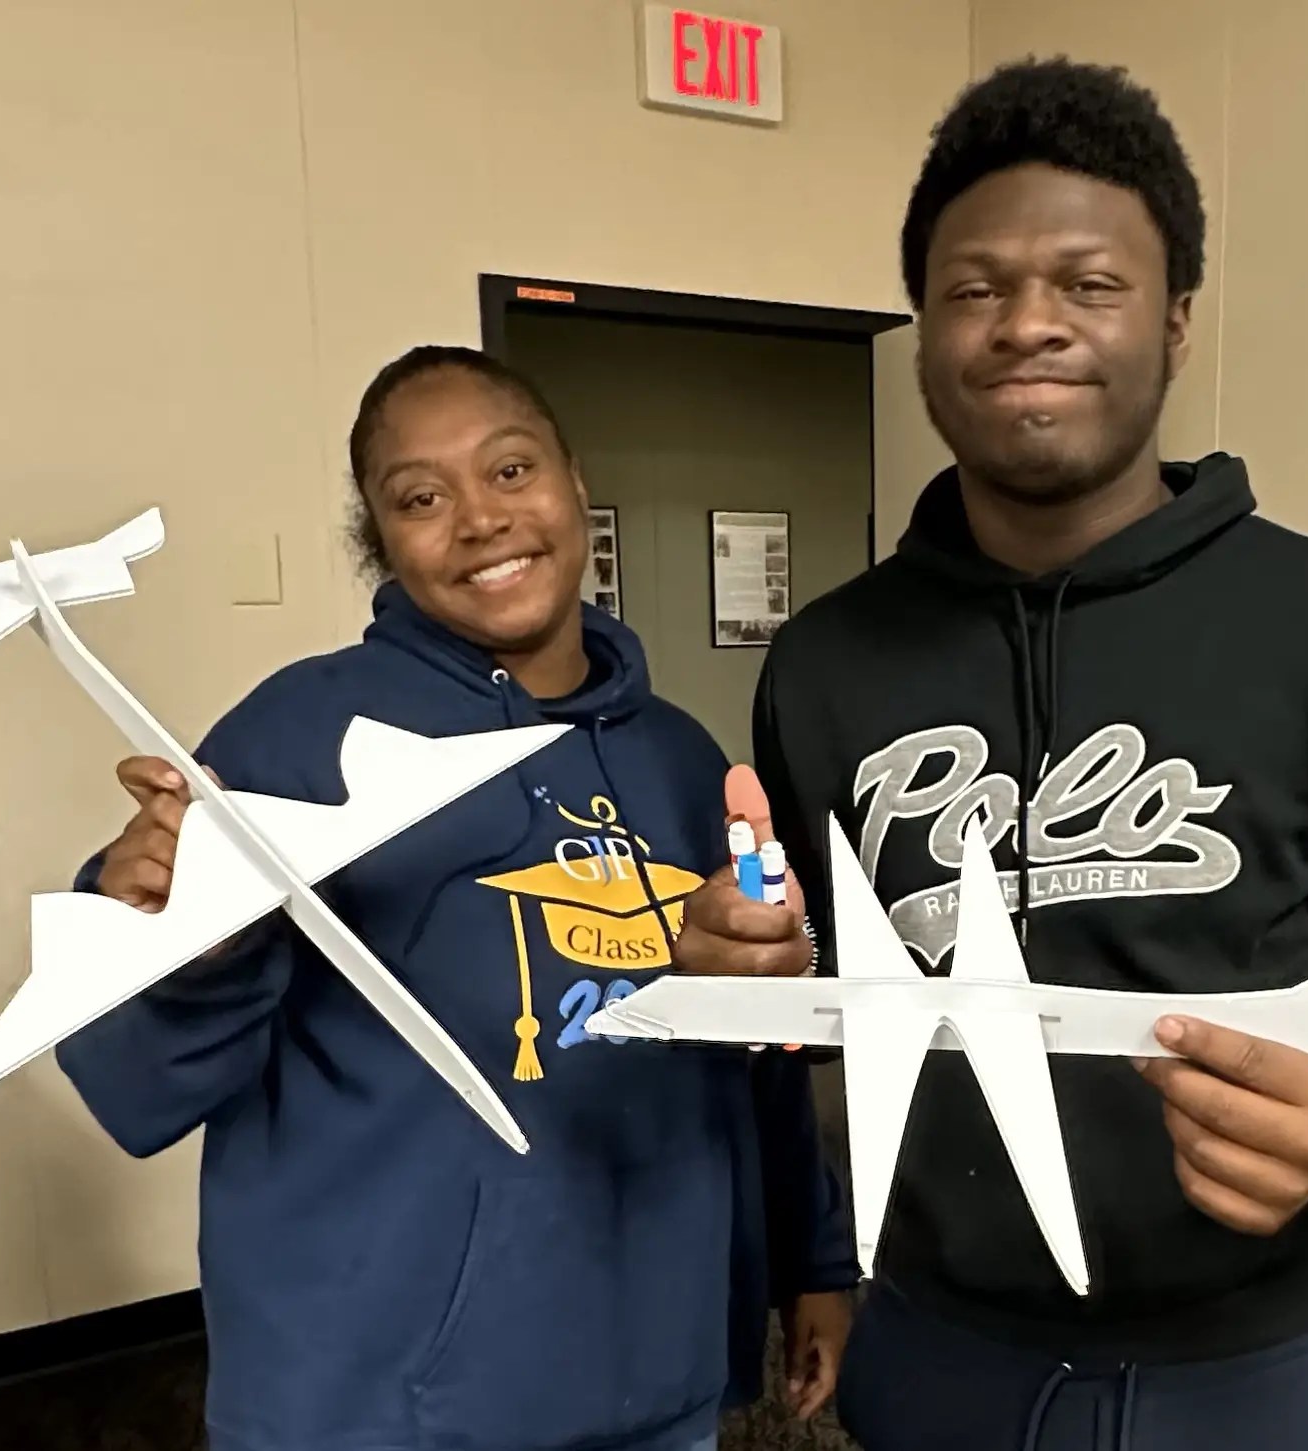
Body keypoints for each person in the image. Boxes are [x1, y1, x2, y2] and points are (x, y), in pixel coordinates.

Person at [671, 58, 1308, 1450]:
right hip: (942, 1354)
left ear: (1175, 323)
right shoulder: (825, 663)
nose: (1028, 322)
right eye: (976, 288)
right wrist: (749, 972)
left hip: (1265, 1368)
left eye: (1089, 283)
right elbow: (808, 992)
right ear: (924, 334)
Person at [56, 346, 855, 1451]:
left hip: (652, 1387)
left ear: (575, 482)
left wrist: (814, 1253)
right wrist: (182, 940)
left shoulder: (681, 758)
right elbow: (126, 1081)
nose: (481, 519)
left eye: (511, 470)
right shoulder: (303, 738)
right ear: (379, 539)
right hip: (377, 1408)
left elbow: (747, 1047)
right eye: (420, 498)